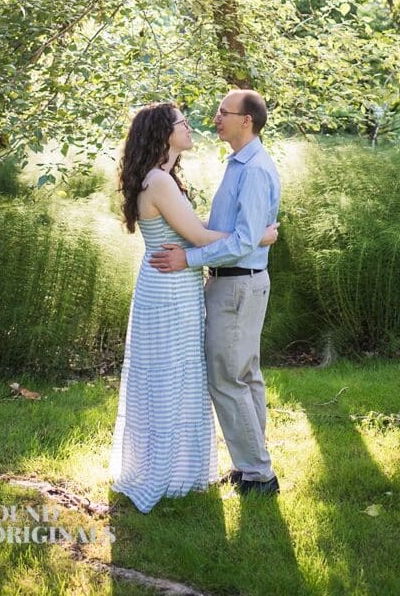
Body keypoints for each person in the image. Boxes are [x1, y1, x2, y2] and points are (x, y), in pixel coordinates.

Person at [110, 101, 277, 513]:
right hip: (171, 289)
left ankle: (253, 470)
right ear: (164, 133)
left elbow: (199, 237)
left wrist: (249, 236)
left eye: (223, 112)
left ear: (246, 120)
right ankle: (212, 469)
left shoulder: (174, 177)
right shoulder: (161, 181)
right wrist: (258, 236)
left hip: (189, 286)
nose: (200, 124)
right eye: (184, 123)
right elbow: (201, 236)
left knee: (223, 377)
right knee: (187, 377)